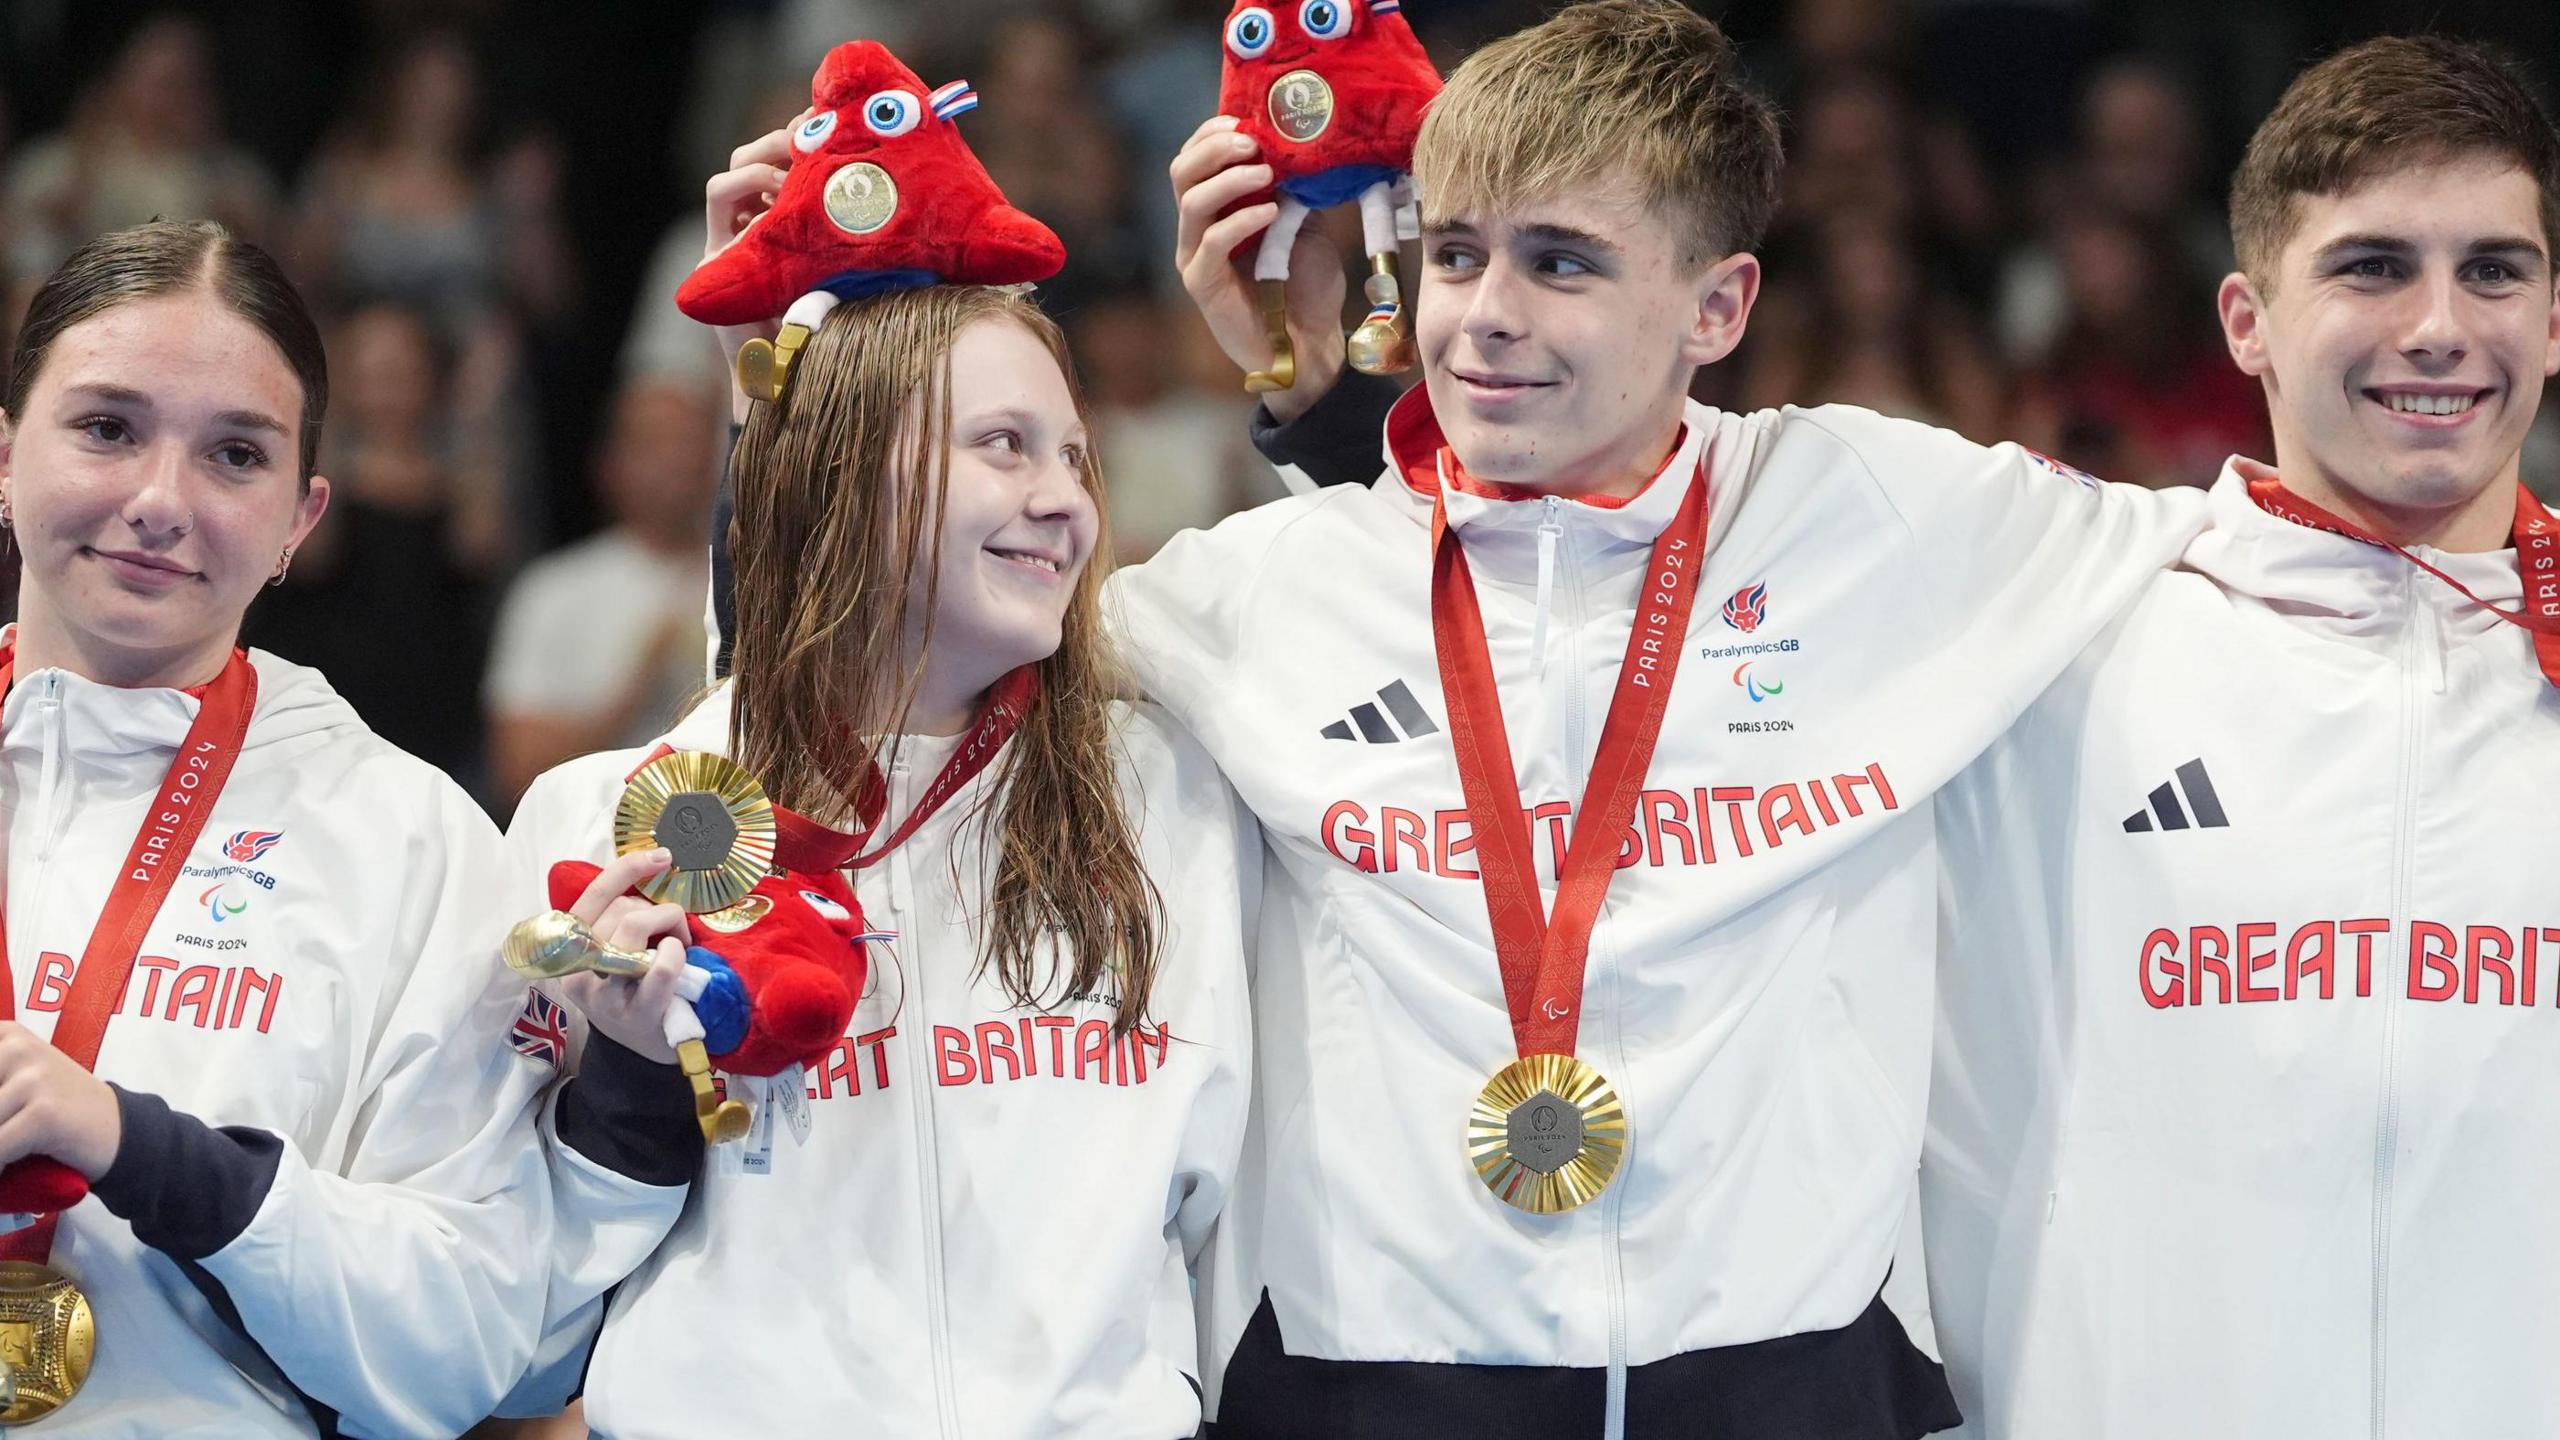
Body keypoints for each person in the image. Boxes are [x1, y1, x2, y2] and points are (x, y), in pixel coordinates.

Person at [1123, 1, 2204, 1433]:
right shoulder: (1252, 592)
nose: (1487, 312)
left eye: (1561, 261)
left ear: (1720, 306)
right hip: (1369, 1383)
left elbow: (2267, 553)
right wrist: (828, 358)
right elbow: (920, 657)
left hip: (1793, 1377)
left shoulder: (1881, 520)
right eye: (1456, 254)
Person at [496, 84, 1255, 1439]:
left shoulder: (1167, 796)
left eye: (1074, 455)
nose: (1064, 500)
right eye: (1004, 447)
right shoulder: (619, 817)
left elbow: (1222, 1215)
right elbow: (513, 1321)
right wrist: (620, 1092)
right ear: (846, 470)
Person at [1921, 36, 2560, 1437]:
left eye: (2495, 269)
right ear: (2245, 319)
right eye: (2371, 266)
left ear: (2557, 319)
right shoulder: (2058, 642)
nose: (2441, 325)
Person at [0, 219, 554, 1434]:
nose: (158, 500)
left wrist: (153, 1158)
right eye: (106, 428)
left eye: (233, 455)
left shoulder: (409, 840)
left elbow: (466, 1343)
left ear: (302, 518)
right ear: (2, 454)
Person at [483, 374, 720, 808]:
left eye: (692, 442)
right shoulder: (555, 591)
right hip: (591, 846)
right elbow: (516, 769)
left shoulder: (752, 585)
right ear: (610, 463)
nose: (677, 461)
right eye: (654, 443)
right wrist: (640, 680)